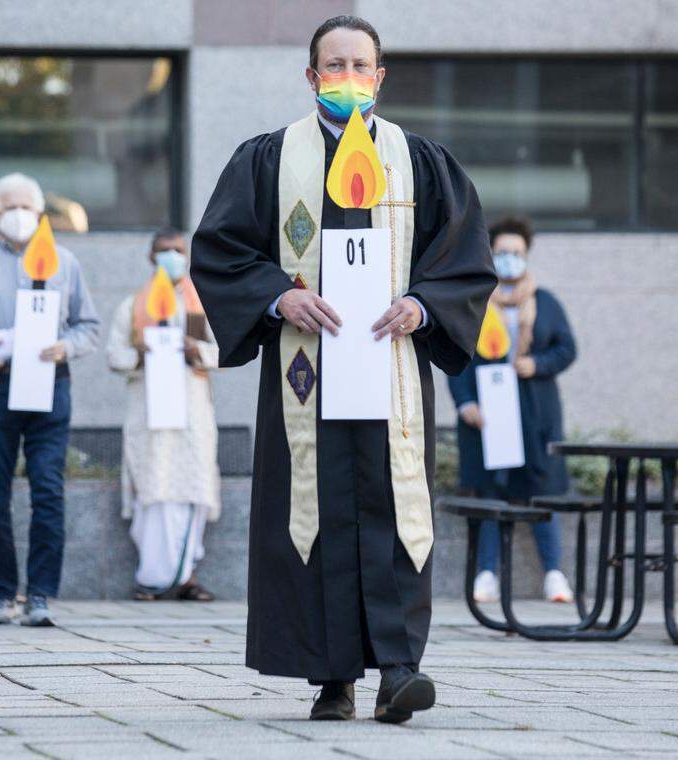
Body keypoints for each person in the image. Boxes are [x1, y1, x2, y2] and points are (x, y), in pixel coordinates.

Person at [190, 16, 496, 723]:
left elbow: (463, 260)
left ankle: (398, 670)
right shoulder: (268, 160)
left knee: (391, 508)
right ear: (311, 76)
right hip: (308, 375)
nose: (349, 76)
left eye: (362, 64)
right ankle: (333, 679)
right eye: (335, 64)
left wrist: (423, 305)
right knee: (317, 512)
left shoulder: (420, 164)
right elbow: (222, 249)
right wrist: (278, 294)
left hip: (389, 373)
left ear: (381, 76)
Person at [0, 172, 101, 626]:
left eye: (29, 206)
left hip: (50, 384)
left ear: (41, 213)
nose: (20, 215)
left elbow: (89, 325)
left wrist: (66, 346)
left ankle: (42, 594)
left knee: (48, 489)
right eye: (11, 207)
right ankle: (2, 593)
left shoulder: (64, 262)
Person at [448, 216, 578, 605]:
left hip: (534, 415)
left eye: (516, 253)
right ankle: (486, 574)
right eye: (502, 252)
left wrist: (536, 365)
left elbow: (567, 349)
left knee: (541, 495)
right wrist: (465, 402)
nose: (509, 260)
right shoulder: (475, 303)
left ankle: (554, 574)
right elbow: (457, 356)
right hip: (489, 417)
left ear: (527, 256)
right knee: (491, 494)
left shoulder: (546, 302)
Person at [106, 228, 221, 602]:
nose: (171, 256)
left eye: (177, 251)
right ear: (150, 257)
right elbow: (115, 355)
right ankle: (152, 577)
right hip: (149, 415)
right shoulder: (132, 306)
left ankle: (186, 576)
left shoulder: (200, 304)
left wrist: (193, 350)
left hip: (191, 412)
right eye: (163, 251)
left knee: (191, 489)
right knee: (154, 491)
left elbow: (223, 351)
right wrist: (145, 354)